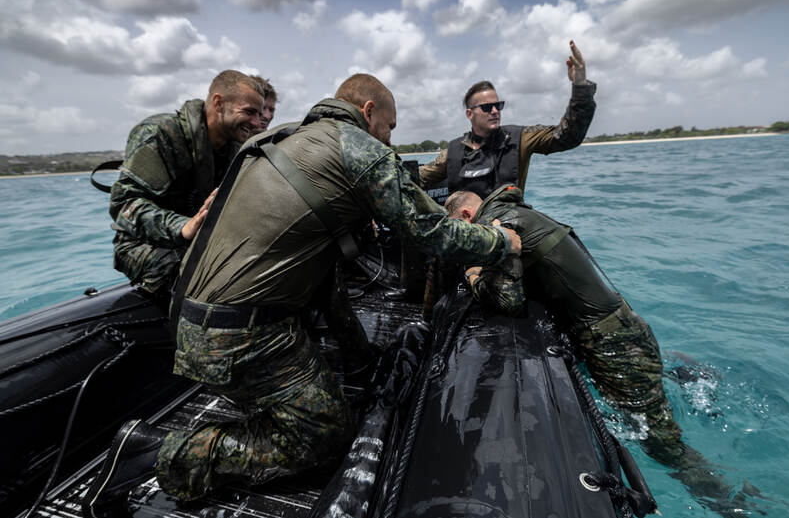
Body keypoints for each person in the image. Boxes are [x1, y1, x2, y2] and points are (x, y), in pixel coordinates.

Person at [82, 73, 521, 516]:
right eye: (390, 128)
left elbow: (321, 273)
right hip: (238, 337)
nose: (390, 140)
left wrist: (362, 359)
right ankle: (157, 454)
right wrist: (500, 242)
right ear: (368, 113)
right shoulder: (360, 148)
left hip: (191, 319)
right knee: (326, 435)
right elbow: (430, 231)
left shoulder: (277, 138)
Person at [445, 185, 764, 517]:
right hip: (621, 329)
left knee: (663, 447)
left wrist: (472, 273)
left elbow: (508, 300)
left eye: (463, 235)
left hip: (615, 345)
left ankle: (737, 504)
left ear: (468, 216)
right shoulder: (518, 212)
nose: (468, 244)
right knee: (645, 421)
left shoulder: (498, 226)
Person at [108, 70, 264, 296]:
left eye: (259, 115)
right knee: (200, 278)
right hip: (143, 245)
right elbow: (124, 206)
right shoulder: (160, 134)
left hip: (200, 244)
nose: (257, 122)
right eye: (249, 112)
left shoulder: (235, 150)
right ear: (219, 103)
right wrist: (182, 227)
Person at [419, 41, 596, 199]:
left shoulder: (521, 138)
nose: (495, 111)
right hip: (467, 232)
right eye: (487, 107)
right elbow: (419, 177)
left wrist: (580, 87)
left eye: (498, 105)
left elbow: (567, 136)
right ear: (469, 114)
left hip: (509, 230)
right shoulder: (452, 152)